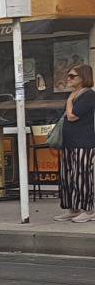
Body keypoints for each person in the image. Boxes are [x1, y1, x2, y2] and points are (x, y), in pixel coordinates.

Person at [55, 63, 95, 222]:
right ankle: (72, 208)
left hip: (84, 142)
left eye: (72, 76)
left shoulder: (89, 95)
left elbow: (72, 116)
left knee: (82, 176)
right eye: (68, 76)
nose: (68, 79)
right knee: (68, 176)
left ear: (83, 77)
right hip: (69, 142)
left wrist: (69, 100)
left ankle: (89, 209)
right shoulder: (75, 94)